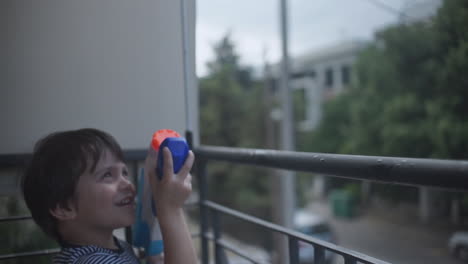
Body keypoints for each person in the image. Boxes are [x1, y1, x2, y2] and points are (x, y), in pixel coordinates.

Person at [21, 128, 198, 264]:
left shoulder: (114, 247)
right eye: (107, 175)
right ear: (64, 207)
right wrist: (171, 210)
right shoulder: (92, 261)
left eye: (124, 173)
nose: (127, 184)